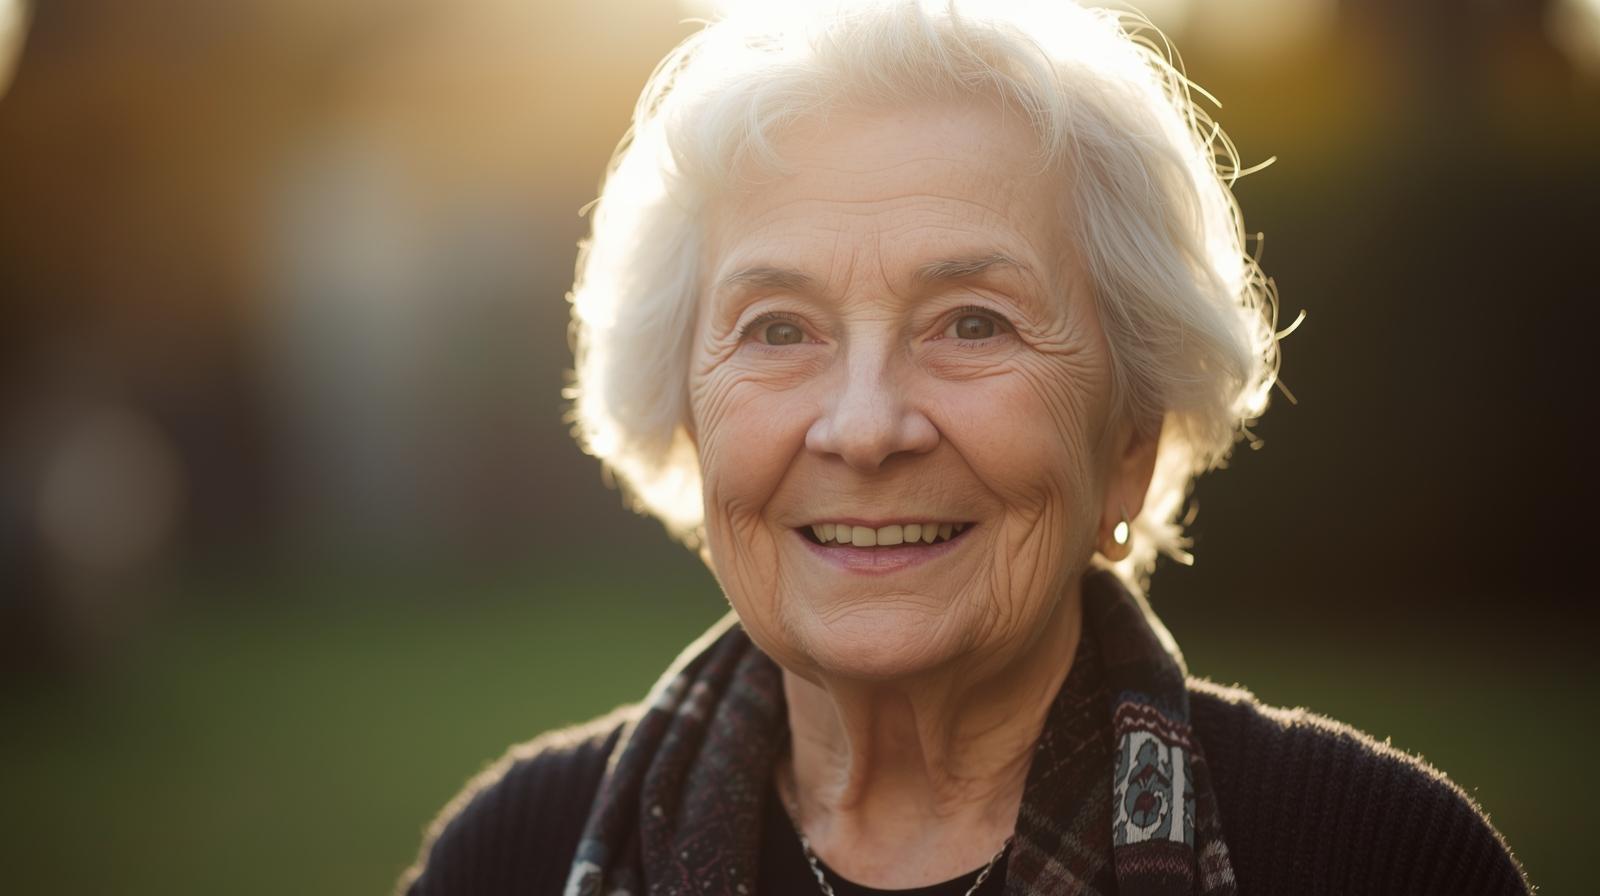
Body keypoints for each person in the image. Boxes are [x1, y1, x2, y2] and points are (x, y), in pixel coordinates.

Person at [397, 2, 1529, 893]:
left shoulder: (1374, 860)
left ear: (1129, 438)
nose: (866, 425)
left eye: (972, 323)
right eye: (778, 329)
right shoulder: (511, 857)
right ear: (689, 422)